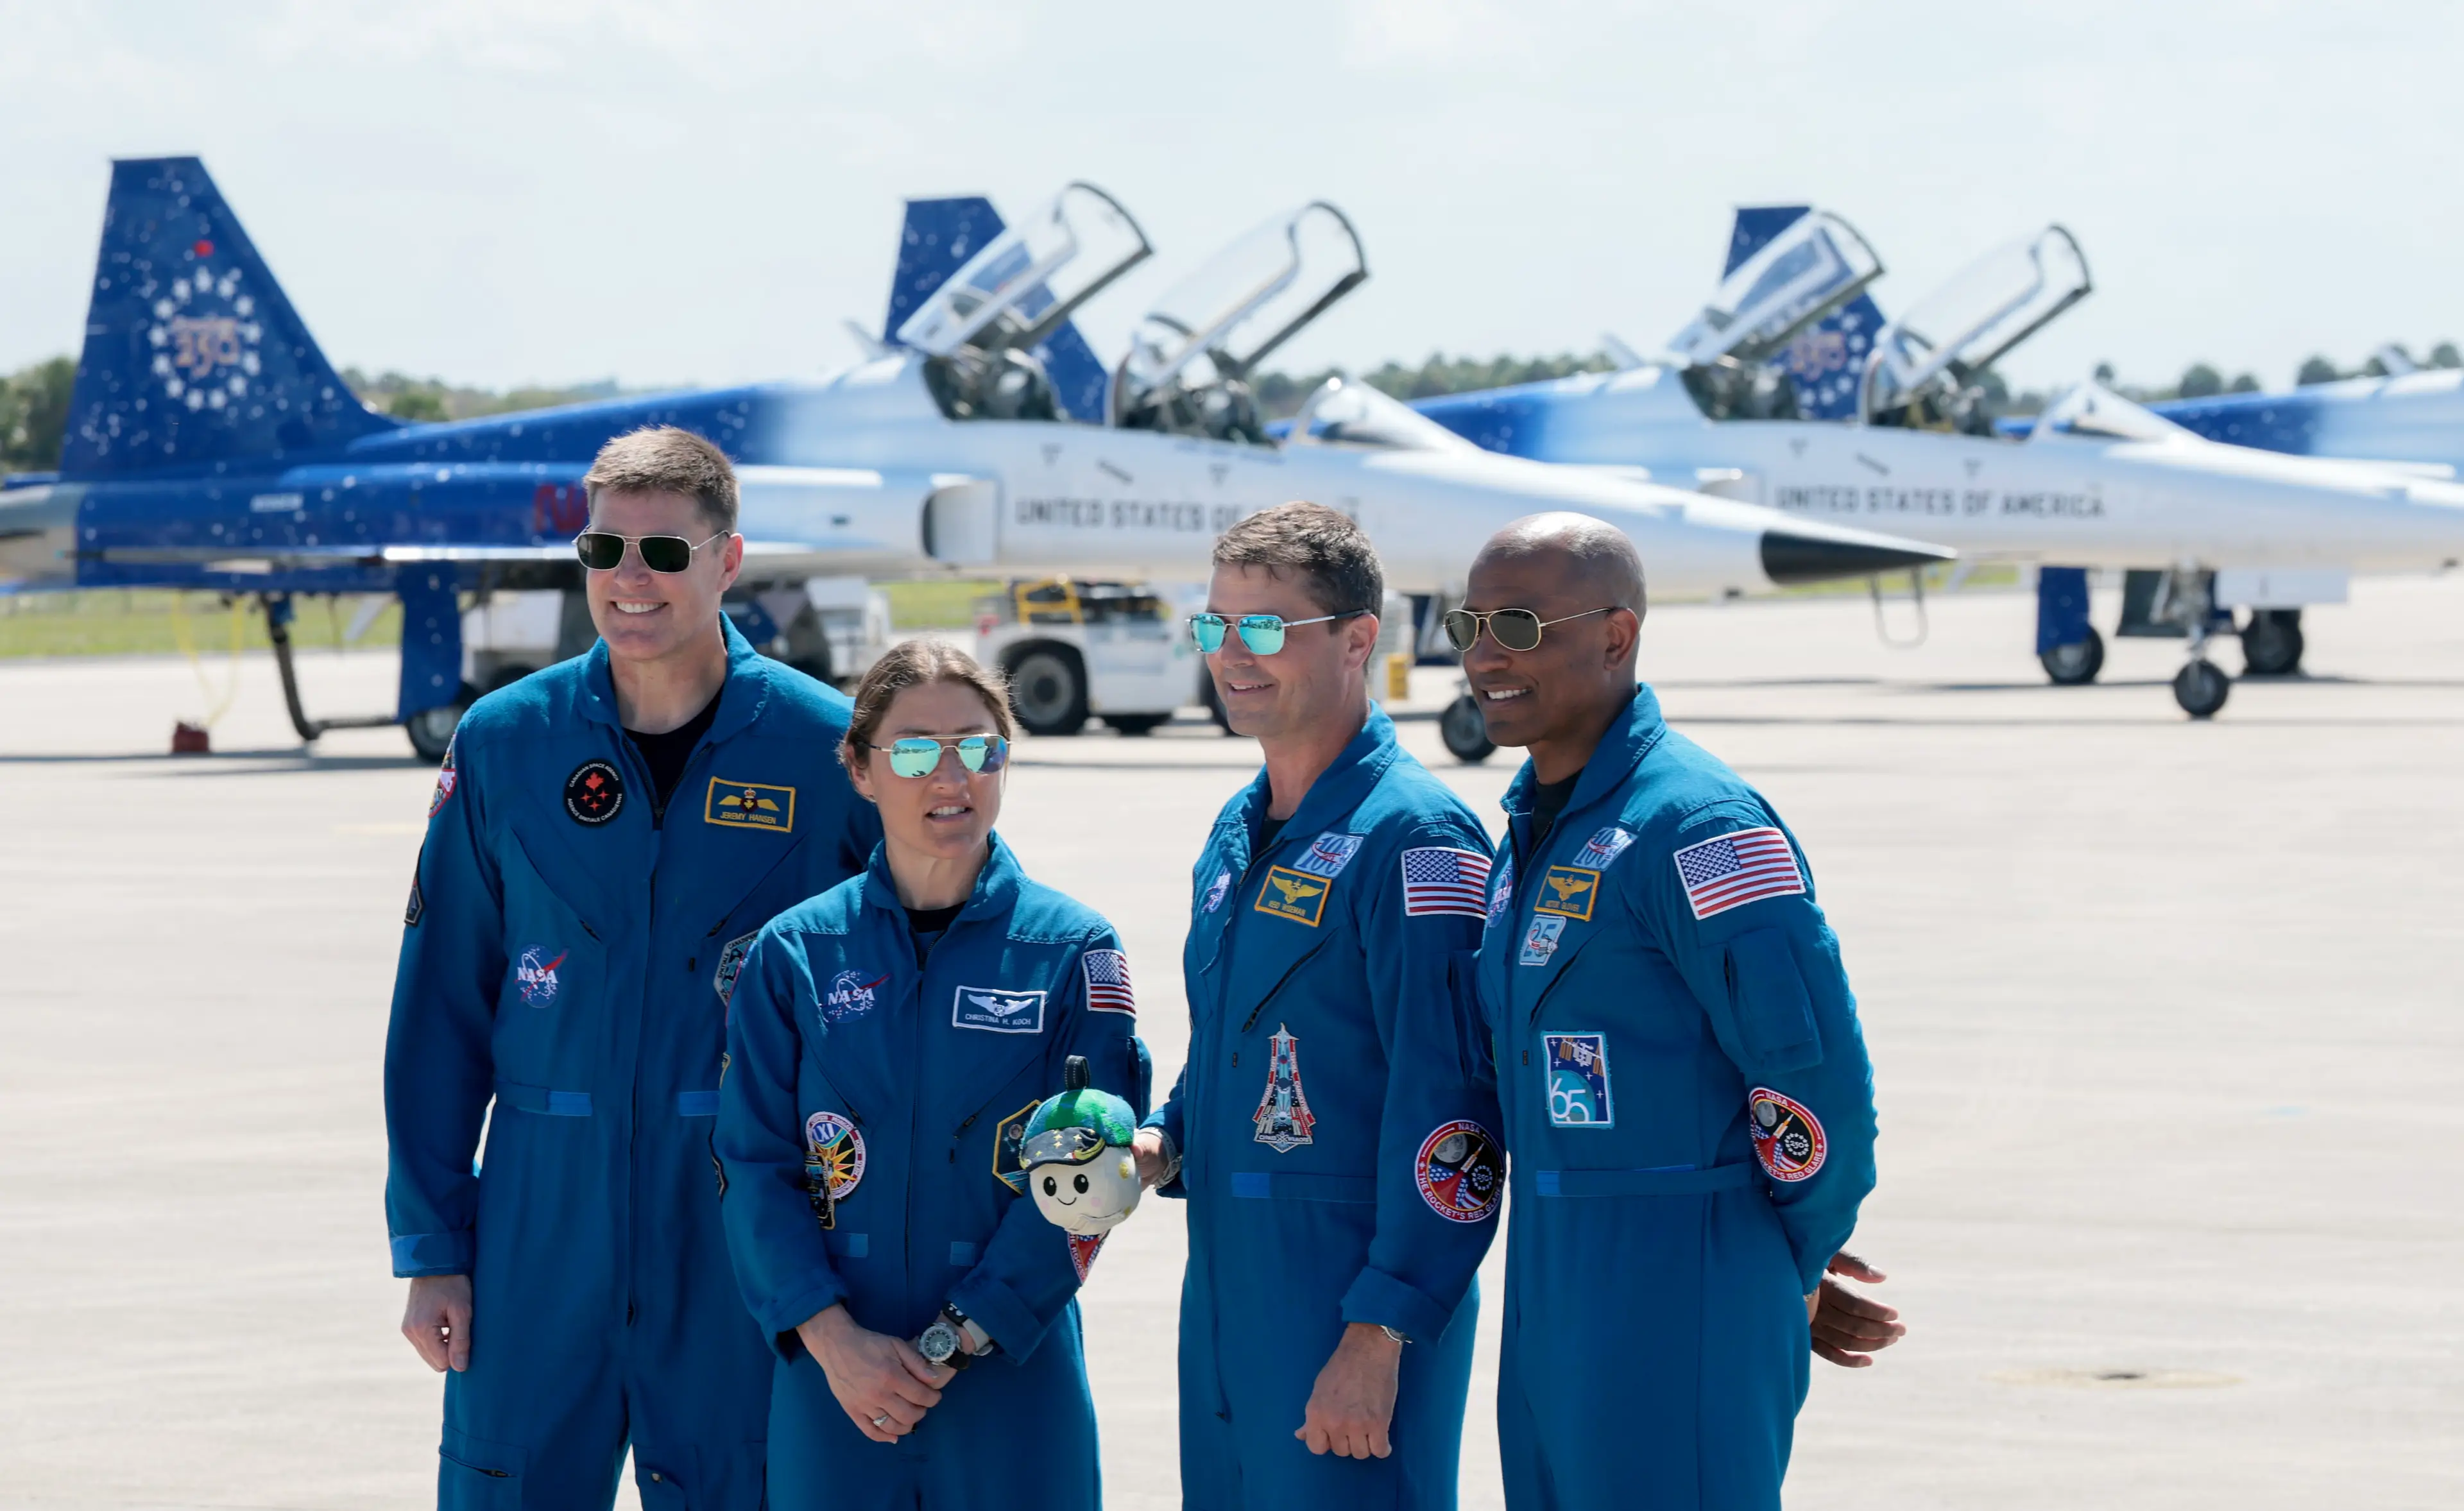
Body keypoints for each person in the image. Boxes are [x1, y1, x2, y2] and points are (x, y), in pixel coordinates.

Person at [384, 426, 880, 1509]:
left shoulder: (826, 748)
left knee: (739, 1484)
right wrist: (431, 1242)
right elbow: (440, 1008)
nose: (630, 580)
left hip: (741, 1221)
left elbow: (946, 930)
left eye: (663, 552)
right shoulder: (507, 742)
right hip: (536, 1226)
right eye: (604, 552)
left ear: (729, 561)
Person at [1455, 512, 1892, 1510]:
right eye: (1467, 625)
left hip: (1682, 1276)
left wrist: (1783, 1257)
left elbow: (1812, 1077)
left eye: (1517, 626)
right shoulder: (1533, 830)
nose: (1484, 656)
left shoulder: (1697, 828)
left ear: (1616, 634)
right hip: (1554, 1270)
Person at [715, 638, 1150, 1511]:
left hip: (1010, 1368)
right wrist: (835, 1341)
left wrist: (960, 1334)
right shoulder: (793, 953)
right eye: (914, 750)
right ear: (861, 769)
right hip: (839, 1375)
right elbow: (751, 1163)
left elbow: (1094, 1175)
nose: (949, 775)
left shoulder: (1075, 951)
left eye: (977, 747)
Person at [1131, 503, 1503, 1511]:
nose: (1232, 656)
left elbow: (1456, 1111)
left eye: (1265, 628)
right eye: (1215, 626)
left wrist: (1381, 1328)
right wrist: (1161, 1142)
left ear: (1357, 640)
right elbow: (1235, 1042)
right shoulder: (1239, 827)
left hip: (1346, 1305)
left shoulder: (1418, 840)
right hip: (1225, 1297)